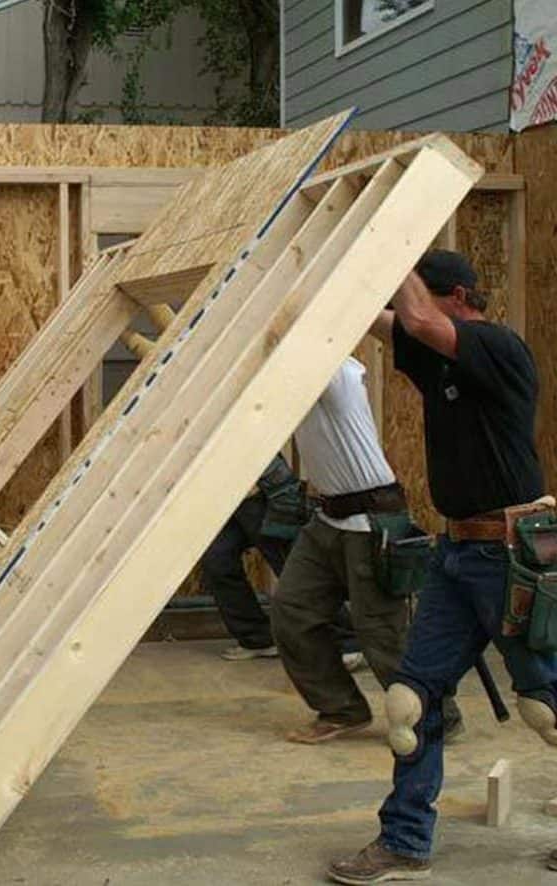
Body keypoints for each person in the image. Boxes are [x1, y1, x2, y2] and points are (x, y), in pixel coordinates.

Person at [328, 249, 557, 883]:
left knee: (547, 704)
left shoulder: (497, 346)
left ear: (457, 297)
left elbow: (419, 320)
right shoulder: (440, 362)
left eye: (417, 301)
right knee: (411, 700)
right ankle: (404, 841)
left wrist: (390, 244)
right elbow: (394, 322)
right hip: (457, 553)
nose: (407, 317)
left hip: (511, 555)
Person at [270, 354, 455, 744]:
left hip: (370, 520)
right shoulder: (287, 376)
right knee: (291, 610)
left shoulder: (334, 369)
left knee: (381, 632)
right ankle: (341, 709)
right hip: (328, 517)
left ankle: (434, 714)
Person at [203, 457, 362, 667]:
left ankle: (347, 641)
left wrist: (254, 479)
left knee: (292, 568)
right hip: (227, 494)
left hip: (263, 492)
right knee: (217, 562)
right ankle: (257, 638)